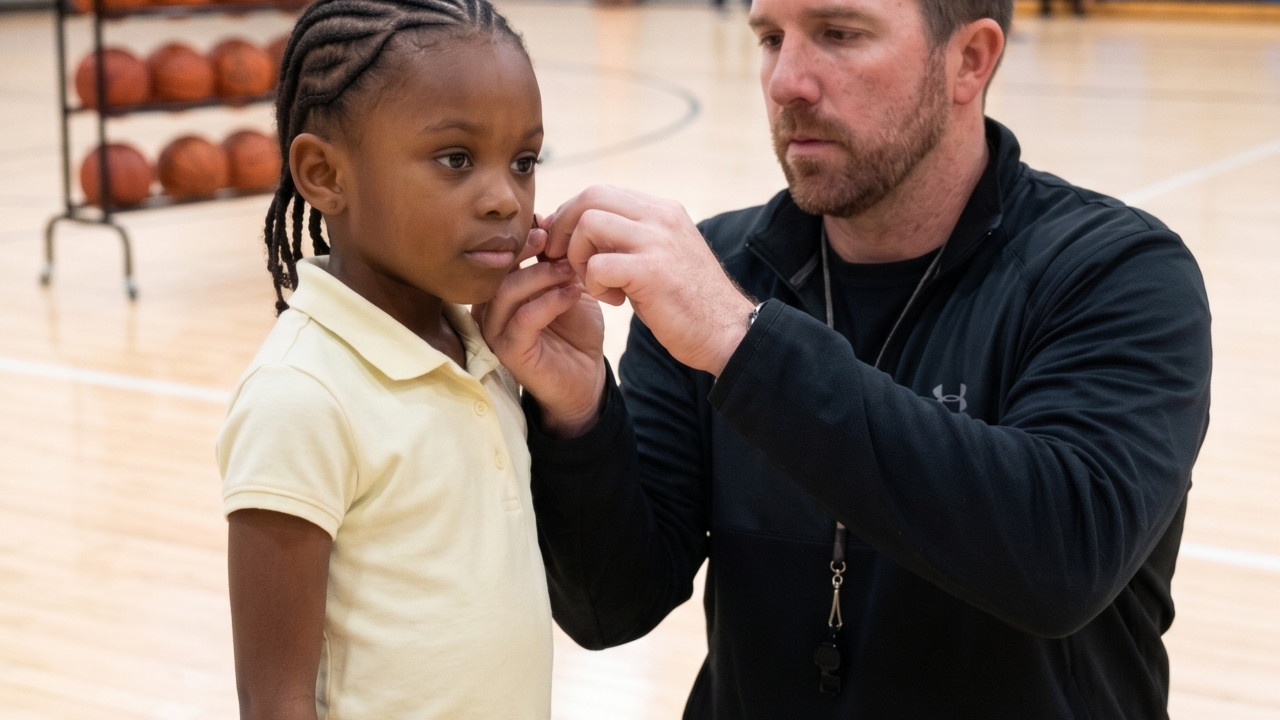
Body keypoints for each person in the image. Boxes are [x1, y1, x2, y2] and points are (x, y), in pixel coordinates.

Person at [478, 0, 1212, 718]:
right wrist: (579, 418)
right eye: (770, 37)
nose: (785, 81)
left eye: (838, 32)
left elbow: (1063, 558)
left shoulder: (1118, 272)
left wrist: (742, 340)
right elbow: (612, 606)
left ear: (969, 60)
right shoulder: (721, 270)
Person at [215, 1, 566, 718]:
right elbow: (272, 700)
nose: (506, 198)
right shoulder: (301, 395)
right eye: (456, 159)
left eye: (524, 161)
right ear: (324, 174)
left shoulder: (485, 350)